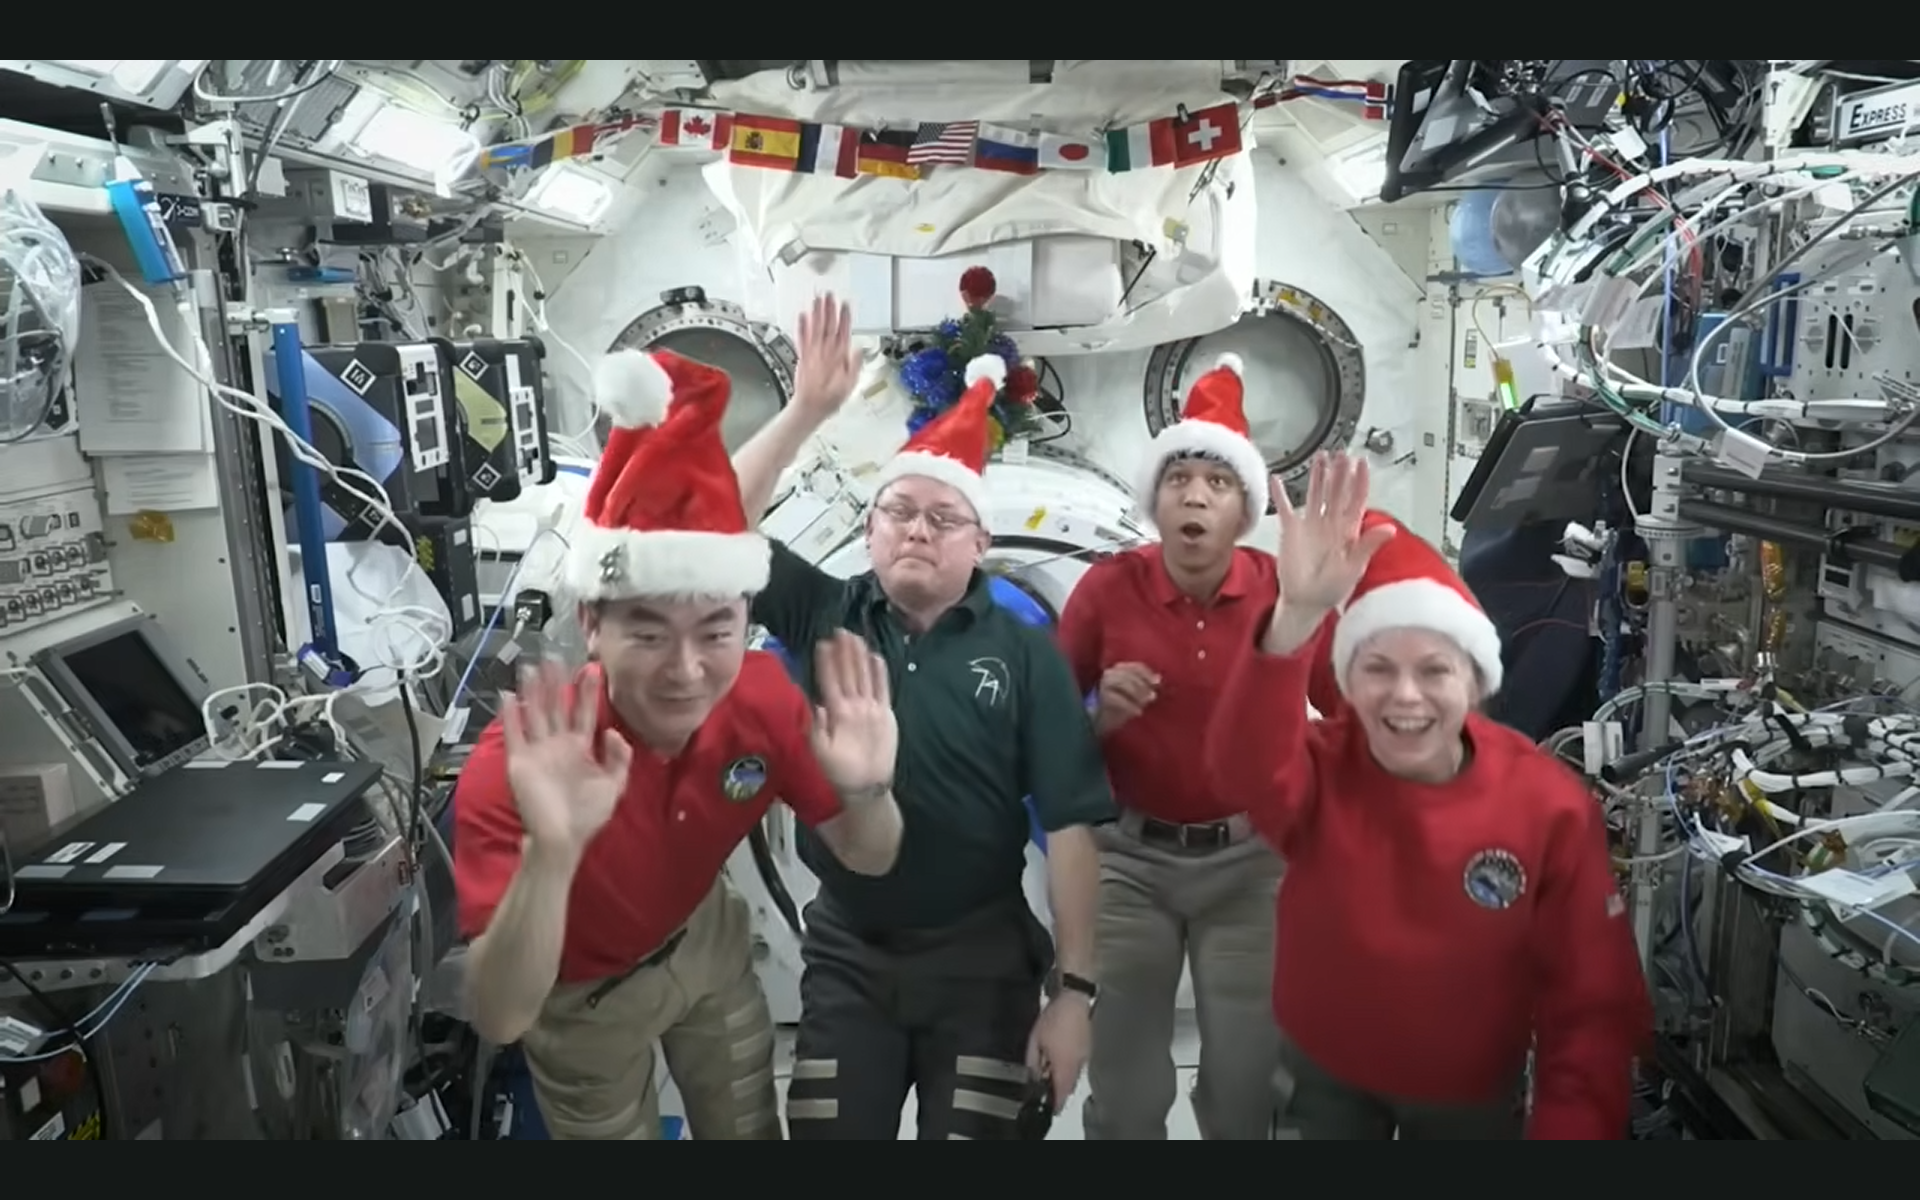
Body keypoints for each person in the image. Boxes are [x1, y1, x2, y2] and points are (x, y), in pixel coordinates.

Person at [454, 347, 905, 1141]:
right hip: (577, 994)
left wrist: (868, 790)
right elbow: (499, 1015)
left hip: (705, 942)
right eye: (649, 632)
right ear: (592, 624)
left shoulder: (763, 700)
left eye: (716, 631)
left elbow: (871, 856)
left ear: (746, 623)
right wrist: (553, 852)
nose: (687, 671)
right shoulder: (525, 760)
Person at [731, 295, 1115, 1140]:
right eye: (899, 511)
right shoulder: (822, 610)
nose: (918, 531)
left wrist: (1075, 996)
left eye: (945, 519)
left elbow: (1075, 827)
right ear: (868, 531)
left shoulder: (1025, 655)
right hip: (846, 957)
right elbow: (717, 523)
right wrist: (804, 412)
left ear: (980, 544)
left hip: (983, 961)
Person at [1207, 451, 1652, 1141]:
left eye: (1434, 670)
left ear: (1475, 684)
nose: (1405, 695)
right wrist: (1295, 616)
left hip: (1469, 1094)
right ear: (1347, 687)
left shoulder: (1545, 804)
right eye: (1377, 667)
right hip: (1323, 1082)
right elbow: (1239, 768)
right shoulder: (1323, 770)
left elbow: (1591, 998)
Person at [1056, 353, 1340, 1141]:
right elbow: (1043, 740)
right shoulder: (1108, 589)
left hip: (1253, 864)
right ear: (1156, 499)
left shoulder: (1284, 591)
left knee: (1248, 1085)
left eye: (1217, 483)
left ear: (1244, 507)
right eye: (1179, 478)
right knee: (1127, 1087)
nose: (1195, 495)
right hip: (1128, 860)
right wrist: (1098, 716)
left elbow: (1354, 712)